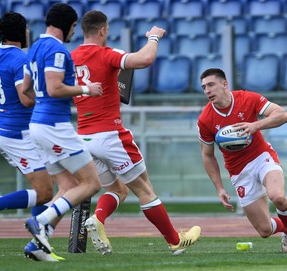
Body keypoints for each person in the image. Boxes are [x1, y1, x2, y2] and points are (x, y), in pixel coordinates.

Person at [70, 10, 201, 256]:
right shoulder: (106, 53)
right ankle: (175, 241)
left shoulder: (71, 57)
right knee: (144, 189)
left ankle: (98, 219)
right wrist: (153, 37)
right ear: (102, 31)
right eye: (107, 31)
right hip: (110, 134)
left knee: (118, 190)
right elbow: (144, 60)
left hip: (83, 138)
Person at [0, 11, 67, 262]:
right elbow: (25, 98)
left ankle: (39, 244)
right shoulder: (19, 59)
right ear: (21, 32)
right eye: (27, 29)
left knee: (50, 186)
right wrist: (50, 94)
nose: (29, 32)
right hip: (18, 134)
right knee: (45, 193)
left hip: (5, 129)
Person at [21, 3, 103, 256]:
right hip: (54, 126)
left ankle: (37, 245)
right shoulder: (57, 49)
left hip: (37, 125)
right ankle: (41, 221)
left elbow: (26, 89)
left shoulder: (34, 48)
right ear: (66, 24)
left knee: (68, 187)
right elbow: (55, 88)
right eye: (74, 26)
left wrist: (45, 101)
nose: (74, 32)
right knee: (91, 184)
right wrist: (88, 89)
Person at [197, 68, 287, 254]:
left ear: (224, 84)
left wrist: (255, 125)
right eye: (204, 87)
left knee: (277, 196)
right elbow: (207, 155)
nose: (207, 90)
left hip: (262, 157)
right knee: (264, 230)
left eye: (211, 85)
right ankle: (286, 228)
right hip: (238, 171)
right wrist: (220, 188)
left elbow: (283, 115)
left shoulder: (247, 98)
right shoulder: (205, 119)